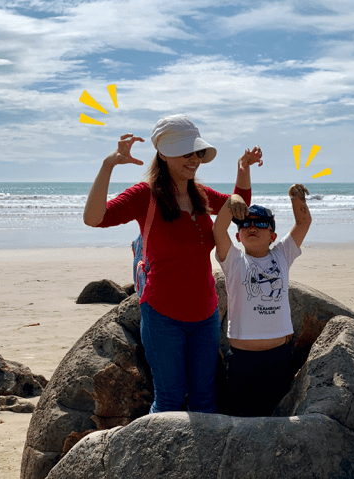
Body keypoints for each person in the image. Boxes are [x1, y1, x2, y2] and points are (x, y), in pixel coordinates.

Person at [83, 114, 262, 414]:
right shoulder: (145, 196)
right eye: (185, 153)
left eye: (196, 153)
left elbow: (238, 206)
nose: (193, 160)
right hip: (162, 318)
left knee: (205, 400)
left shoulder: (201, 195)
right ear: (164, 154)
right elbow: (94, 218)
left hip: (205, 316)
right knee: (170, 401)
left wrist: (242, 169)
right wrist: (108, 165)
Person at [213, 184, 312, 417]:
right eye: (245, 223)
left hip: (278, 357)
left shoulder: (281, 255)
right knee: (241, 419)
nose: (252, 227)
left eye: (260, 223)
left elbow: (303, 223)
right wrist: (231, 202)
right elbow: (218, 230)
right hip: (241, 360)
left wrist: (296, 198)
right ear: (238, 236)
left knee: (275, 418)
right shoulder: (234, 260)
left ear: (273, 235)